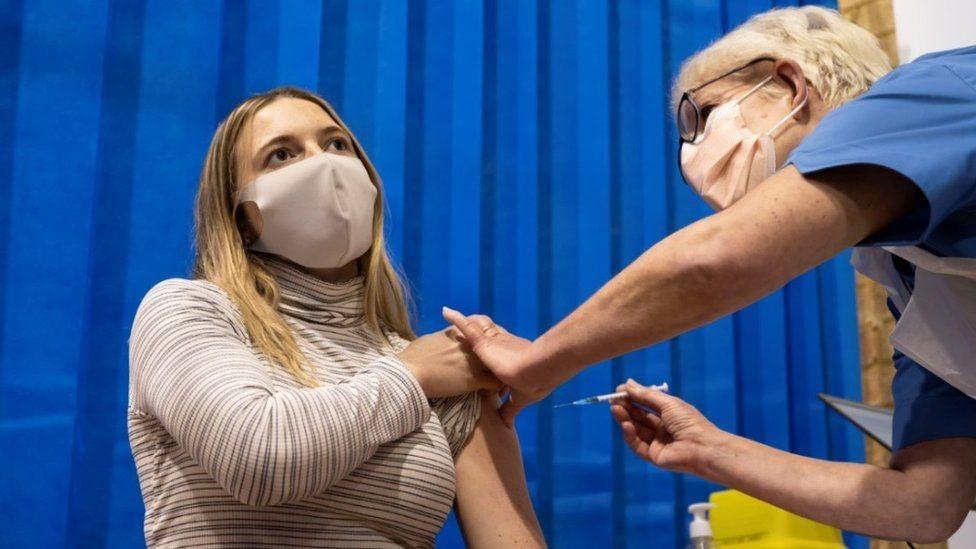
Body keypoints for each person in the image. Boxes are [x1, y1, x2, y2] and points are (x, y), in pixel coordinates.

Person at [445, 6, 976, 544]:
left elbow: (718, 258)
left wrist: (540, 361)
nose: (690, 155)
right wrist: (708, 450)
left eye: (703, 116)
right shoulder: (920, 283)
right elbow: (924, 505)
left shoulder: (936, 94)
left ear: (791, 84)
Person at [127, 87, 544, 548]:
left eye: (336, 144)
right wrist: (413, 375)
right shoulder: (189, 311)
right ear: (242, 216)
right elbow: (256, 460)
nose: (323, 164)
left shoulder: (444, 369)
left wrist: (538, 364)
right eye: (281, 154)